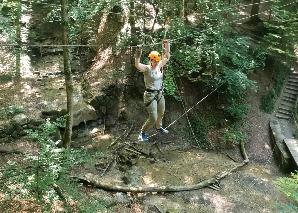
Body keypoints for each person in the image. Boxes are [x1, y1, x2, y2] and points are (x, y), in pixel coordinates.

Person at [134, 39, 170, 142]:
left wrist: (167, 44)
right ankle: (142, 132)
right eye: (154, 61)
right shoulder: (147, 69)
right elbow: (137, 64)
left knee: (161, 112)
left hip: (159, 94)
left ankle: (159, 127)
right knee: (153, 117)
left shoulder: (159, 66)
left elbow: (167, 57)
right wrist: (138, 53)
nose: (156, 63)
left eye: (157, 61)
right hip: (150, 95)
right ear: (150, 60)